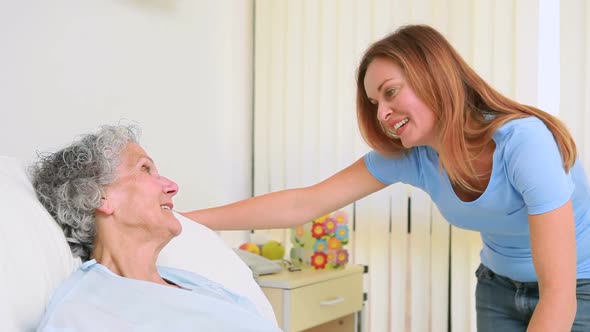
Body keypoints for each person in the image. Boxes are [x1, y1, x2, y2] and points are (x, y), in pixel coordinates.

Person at [182, 24, 590, 331]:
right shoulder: (414, 158)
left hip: (579, 287)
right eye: (376, 102)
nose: (381, 113)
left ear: (435, 75)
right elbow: (302, 204)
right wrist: (183, 221)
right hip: (497, 288)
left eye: (390, 92)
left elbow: (559, 292)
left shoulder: (523, 142)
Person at [31, 125, 281, 332]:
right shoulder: (84, 312)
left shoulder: (194, 283)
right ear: (98, 197)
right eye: (145, 169)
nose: (172, 186)